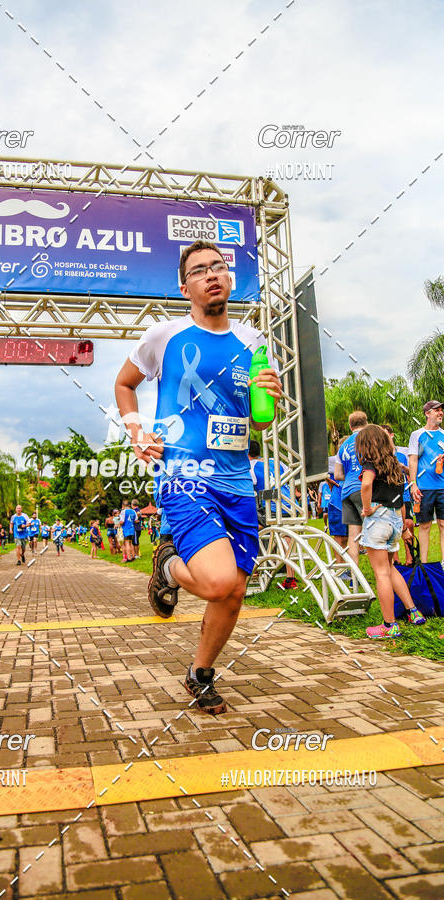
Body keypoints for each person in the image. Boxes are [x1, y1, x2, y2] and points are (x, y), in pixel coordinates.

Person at [115, 239, 281, 714]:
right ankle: (167, 564)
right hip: (184, 474)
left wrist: (269, 395)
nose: (211, 274)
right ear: (184, 286)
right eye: (199, 270)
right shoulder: (164, 336)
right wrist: (136, 431)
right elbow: (124, 384)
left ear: (229, 278)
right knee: (216, 581)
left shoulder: (254, 343)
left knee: (235, 591)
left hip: (237, 481)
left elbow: (261, 422)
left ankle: (200, 674)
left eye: (218, 266)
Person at [356, 424, 426, 638]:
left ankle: (389, 625)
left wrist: (366, 508)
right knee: (390, 567)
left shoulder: (370, 464)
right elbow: (400, 497)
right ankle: (413, 612)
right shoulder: (394, 464)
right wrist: (403, 526)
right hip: (395, 518)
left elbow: (366, 485)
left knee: (381, 573)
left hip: (378, 519)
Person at [249, 441, 297, 589]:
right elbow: (290, 476)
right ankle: (289, 576)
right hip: (291, 504)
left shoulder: (250, 467)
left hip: (273, 507)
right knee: (288, 538)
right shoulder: (275, 461)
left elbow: (248, 488)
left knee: (246, 528)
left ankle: (254, 567)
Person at [408, 400, 444, 566]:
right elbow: (413, 460)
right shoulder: (417, 435)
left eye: (441, 410)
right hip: (423, 488)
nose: (441, 413)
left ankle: (443, 563)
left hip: (442, 487)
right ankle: (424, 565)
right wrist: (413, 484)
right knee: (424, 525)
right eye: (437, 410)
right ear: (427, 413)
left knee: (443, 524)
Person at [334, 411, 368, 569]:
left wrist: (350, 474)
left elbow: (337, 474)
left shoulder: (343, 446)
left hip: (347, 491)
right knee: (373, 531)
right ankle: (382, 572)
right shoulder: (369, 437)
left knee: (353, 537)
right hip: (364, 488)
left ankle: (355, 575)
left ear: (350, 426)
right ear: (366, 423)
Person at [382, 424, 413, 566]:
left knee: (408, 523)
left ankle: (410, 556)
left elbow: (411, 473)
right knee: (391, 525)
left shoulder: (402, 453)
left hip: (403, 493)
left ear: (391, 435)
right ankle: (395, 559)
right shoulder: (380, 454)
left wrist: (403, 467)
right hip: (389, 495)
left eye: (385, 434)